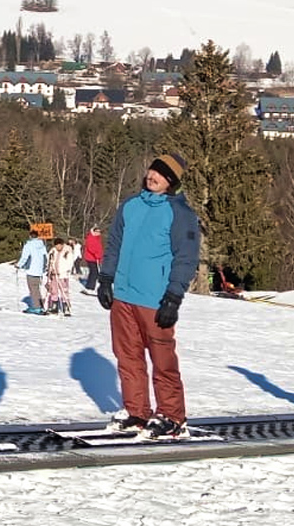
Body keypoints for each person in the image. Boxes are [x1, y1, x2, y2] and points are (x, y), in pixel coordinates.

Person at [97, 153, 202, 439]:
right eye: (152, 170)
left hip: (155, 299)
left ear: (171, 182)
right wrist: (106, 278)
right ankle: (137, 411)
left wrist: (174, 297)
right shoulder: (130, 206)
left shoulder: (180, 214)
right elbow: (115, 243)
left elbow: (186, 258)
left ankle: (171, 415)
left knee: (162, 359)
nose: (152, 176)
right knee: (127, 356)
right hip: (124, 296)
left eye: (161, 174)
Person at [18, 229, 49, 314]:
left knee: (33, 289)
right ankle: (39, 305)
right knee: (37, 289)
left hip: (31, 270)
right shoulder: (42, 244)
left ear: (30, 236)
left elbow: (25, 257)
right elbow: (45, 257)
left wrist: (19, 265)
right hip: (39, 271)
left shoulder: (29, 245)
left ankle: (36, 307)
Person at [46, 239, 76, 316]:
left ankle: (66, 306)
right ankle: (54, 306)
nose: (58, 247)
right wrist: (50, 269)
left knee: (64, 291)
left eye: (59, 245)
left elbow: (70, 263)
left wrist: (63, 271)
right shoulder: (53, 251)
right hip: (54, 274)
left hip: (63, 275)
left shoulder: (67, 251)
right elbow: (49, 260)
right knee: (54, 290)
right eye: (56, 246)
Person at [82, 226, 105, 295]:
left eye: (99, 232)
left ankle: (90, 286)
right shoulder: (91, 238)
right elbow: (91, 248)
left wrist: (100, 256)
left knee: (94, 272)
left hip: (95, 258)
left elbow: (99, 248)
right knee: (94, 272)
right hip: (91, 258)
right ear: (93, 232)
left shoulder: (98, 239)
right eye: (97, 231)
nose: (98, 233)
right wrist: (97, 255)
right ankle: (90, 287)